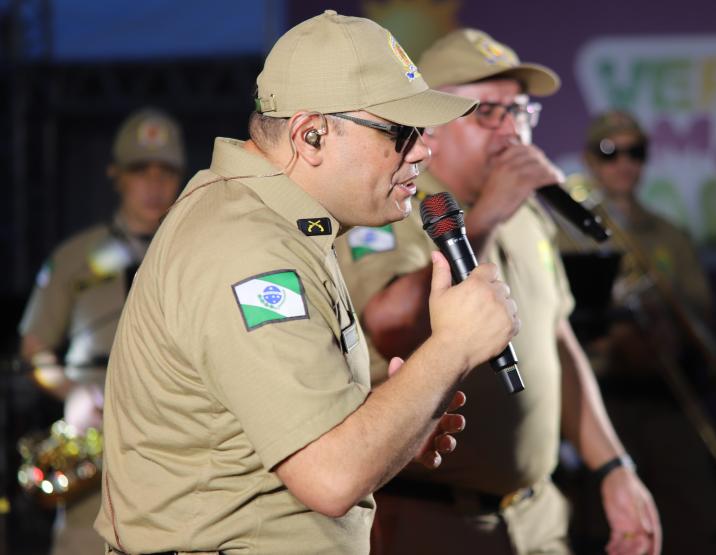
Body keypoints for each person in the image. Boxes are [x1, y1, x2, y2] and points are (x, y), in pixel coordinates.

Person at [93, 11, 519, 555]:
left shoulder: (277, 222)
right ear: (311, 134)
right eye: (401, 132)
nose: (422, 151)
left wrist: (398, 419)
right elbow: (331, 477)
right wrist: (454, 346)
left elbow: (303, 445)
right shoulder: (248, 248)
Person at [336, 29, 660, 555]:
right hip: (431, 518)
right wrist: (483, 219)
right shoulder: (395, 204)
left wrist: (613, 467)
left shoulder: (526, 212)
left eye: (521, 111)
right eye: (488, 112)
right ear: (431, 122)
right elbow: (391, 324)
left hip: (537, 517)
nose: (512, 131)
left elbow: (557, 345)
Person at [566, 109, 716, 555]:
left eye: (634, 152)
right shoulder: (564, 236)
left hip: (663, 392)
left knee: (696, 518)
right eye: (610, 152)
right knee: (600, 527)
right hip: (596, 396)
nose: (623, 163)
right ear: (590, 159)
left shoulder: (671, 237)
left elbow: (700, 317)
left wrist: (669, 332)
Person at [18, 107, 185, 555]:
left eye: (165, 171)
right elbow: (35, 348)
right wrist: (72, 391)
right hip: (98, 438)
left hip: (178, 433)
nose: (154, 184)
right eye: (140, 171)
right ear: (116, 175)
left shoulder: (194, 253)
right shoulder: (76, 256)